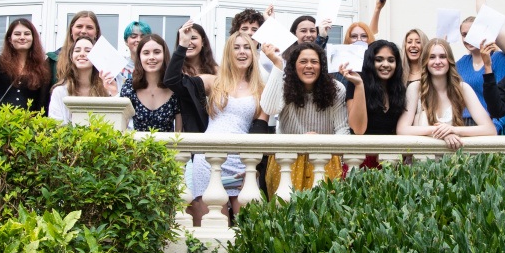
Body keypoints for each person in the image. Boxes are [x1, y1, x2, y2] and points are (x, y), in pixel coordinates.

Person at [166, 23, 268, 224]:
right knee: (213, 231)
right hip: (209, 160)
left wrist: (254, 167)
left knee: (248, 231)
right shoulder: (213, 81)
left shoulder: (261, 89)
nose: (241, 52)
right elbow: (172, 81)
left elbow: (260, 132)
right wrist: (182, 45)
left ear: (253, 53)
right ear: (228, 53)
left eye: (246, 47)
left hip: (241, 164)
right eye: (236, 47)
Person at [261, 42, 350, 190]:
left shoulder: (337, 89)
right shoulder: (284, 85)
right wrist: (277, 65)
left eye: (314, 62)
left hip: (324, 158)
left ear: (322, 66)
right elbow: (269, 108)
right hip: (287, 160)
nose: (309, 66)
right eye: (303, 61)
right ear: (294, 66)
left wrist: (321, 140)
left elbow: (343, 131)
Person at [396, 38, 496, 149]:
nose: (437, 61)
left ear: (450, 60)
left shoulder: (463, 88)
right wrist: (442, 132)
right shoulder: (415, 88)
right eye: (432, 57)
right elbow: (402, 129)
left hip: (452, 161)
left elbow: (490, 129)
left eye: (442, 57)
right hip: (421, 160)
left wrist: (454, 130)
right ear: (425, 61)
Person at [340, 40, 408, 169]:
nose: (385, 64)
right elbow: (358, 130)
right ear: (370, 62)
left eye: (391, 60)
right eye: (379, 60)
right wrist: (359, 85)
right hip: (360, 159)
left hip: (389, 160)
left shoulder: (398, 89)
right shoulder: (356, 83)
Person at [0, 15, 51, 113]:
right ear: (10, 39)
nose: (22, 37)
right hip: (2, 124)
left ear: (33, 38)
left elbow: (42, 103)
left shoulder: (42, 68)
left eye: (27, 34)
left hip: (29, 125)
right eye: (17, 34)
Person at [458, 16, 505, 132]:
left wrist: (495, 128)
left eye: (472, 33)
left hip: (489, 125)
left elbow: (503, 99)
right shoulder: (460, 63)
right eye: (464, 34)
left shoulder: (499, 59)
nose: (468, 38)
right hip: (463, 126)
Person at [48, 36, 116, 124]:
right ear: (71, 57)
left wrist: (114, 94)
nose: (82, 54)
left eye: (88, 51)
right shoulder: (59, 92)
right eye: (77, 50)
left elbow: (116, 122)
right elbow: (55, 125)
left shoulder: (106, 89)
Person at [120, 34, 180, 132]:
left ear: (165, 55)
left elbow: (180, 133)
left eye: (157, 52)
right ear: (139, 57)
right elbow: (121, 129)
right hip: (137, 146)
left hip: (170, 146)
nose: (151, 57)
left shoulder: (175, 88)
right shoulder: (129, 87)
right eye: (146, 53)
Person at [48, 11, 100, 87]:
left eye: (89, 27)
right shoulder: (53, 61)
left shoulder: (105, 61)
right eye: (79, 26)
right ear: (71, 30)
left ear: (96, 32)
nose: (83, 31)